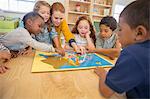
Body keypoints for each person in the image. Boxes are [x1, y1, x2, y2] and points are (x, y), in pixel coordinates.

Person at [94, 0, 150, 98]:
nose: (118, 34)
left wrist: (103, 73)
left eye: (120, 29)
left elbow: (105, 91)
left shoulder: (133, 54)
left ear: (139, 33)